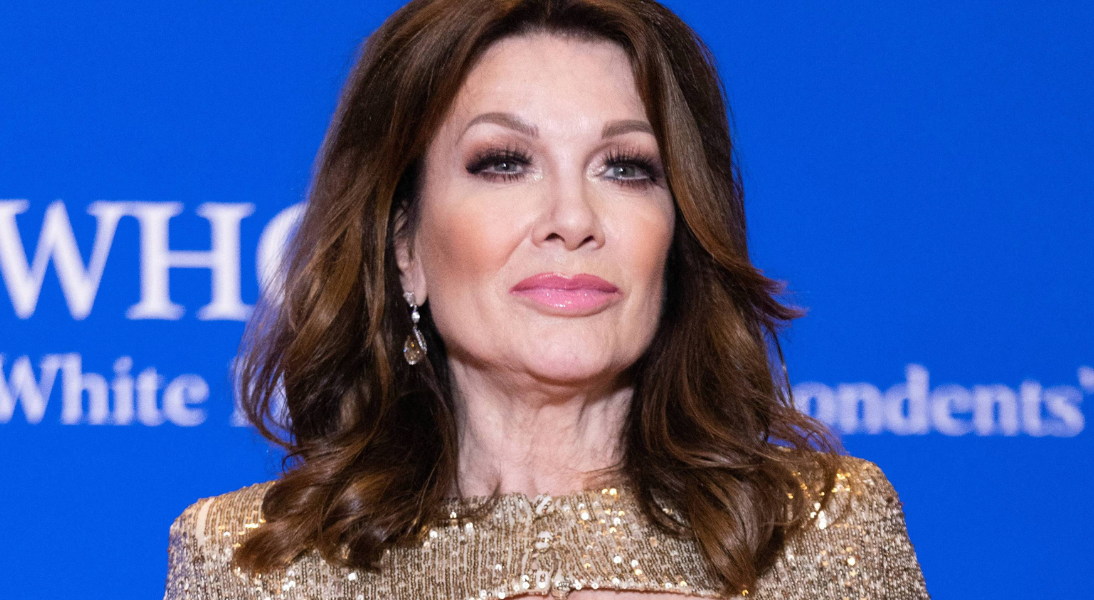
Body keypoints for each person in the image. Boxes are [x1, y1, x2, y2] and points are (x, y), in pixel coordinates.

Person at [163, 0, 930, 598]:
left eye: (626, 167)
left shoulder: (817, 534)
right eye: (504, 163)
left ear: (679, 233)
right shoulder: (255, 567)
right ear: (405, 249)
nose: (572, 220)